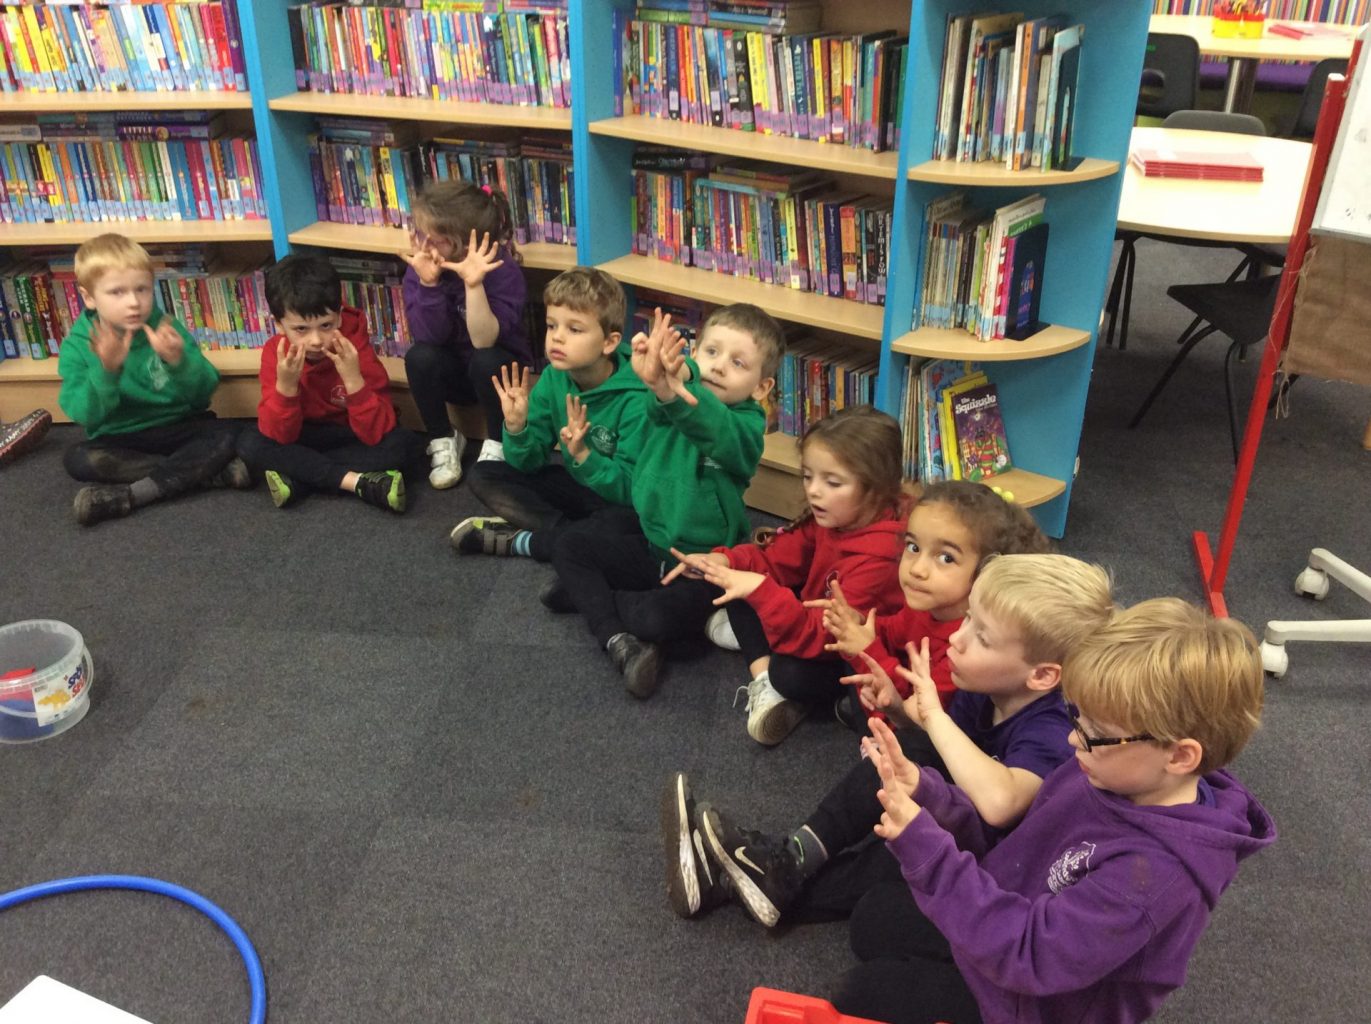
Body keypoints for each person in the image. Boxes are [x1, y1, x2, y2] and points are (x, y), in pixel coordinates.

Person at [834, 598, 1274, 1024]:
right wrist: (929, 794)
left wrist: (929, 853)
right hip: (1009, 913)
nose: (1072, 739)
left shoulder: (1154, 877)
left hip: (1031, 1000)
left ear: (1179, 756)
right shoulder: (1103, 770)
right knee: (874, 918)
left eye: (1096, 732)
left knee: (859, 994)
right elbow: (1012, 844)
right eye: (1076, 718)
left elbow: (1028, 956)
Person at [665, 553, 1113, 929]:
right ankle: (783, 861)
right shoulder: (990, 687)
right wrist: (898, 708)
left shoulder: (1056, 726)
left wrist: (931, 716)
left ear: (1042, 676)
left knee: (895, 858)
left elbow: (1000, 804)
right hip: (961, 814)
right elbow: (943, 749)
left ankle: (757, 875)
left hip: (1000, 868)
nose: (956, 639)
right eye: (967, 619)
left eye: (981, 637)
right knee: (906, 754)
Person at [548, 303, 782, 698]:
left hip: (704, 564)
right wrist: (662, 382)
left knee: (656, 618)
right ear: (695, 353)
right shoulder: (669, 398)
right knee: (569, 545)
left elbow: (711, 424)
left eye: (738, 363)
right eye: (711, 352)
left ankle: (594, 600)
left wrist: (680, 383)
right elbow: (660, 406)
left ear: (761, 387)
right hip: (651, 543)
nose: (719, 367)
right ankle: (617, 638)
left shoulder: (746, 426)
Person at [667, 405, 910, 745]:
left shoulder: (881, 560)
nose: (814, 491)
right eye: (808, 476)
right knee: (739, 580)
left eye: (832, 482)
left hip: (847, 649)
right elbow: (778, 558)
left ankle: (790, 684)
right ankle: (764, 681)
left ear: (877, 488)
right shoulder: (838, 516)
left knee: (789, 673)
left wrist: (761, 591)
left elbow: (827, 637)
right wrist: (724, 560)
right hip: (818, 618)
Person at [812, 480, 1050, 725]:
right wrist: (859, 623)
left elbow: (920, 716)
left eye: (946, 558)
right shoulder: (928, 605)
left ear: (987, 570)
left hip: (923, 724)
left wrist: (866, 649)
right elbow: (894, 632)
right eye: (913, 547)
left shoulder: (967, 644)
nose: (917, 569)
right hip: (901, 693)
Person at [451, 266, 647, 560]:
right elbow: (529, 463)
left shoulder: (637, 396)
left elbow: (631, 490)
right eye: (552, 326)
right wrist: (517, 428)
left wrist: (584, 456)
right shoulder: (555, 377)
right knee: (483, 474)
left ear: (609, 342)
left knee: (627, 527)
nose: (557, 338)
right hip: (578, 488)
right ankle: (570, 539)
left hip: (621, 500)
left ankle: (535, 541)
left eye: (574, 329)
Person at [57, 233, 248, 526]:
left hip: (179, 427)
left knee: (233, 432)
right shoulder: (78, 345)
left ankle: (134, 494)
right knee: (78, 459)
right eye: (117, 292)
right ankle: (206, 473)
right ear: (89, 298)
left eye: (142, 289)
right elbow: (85, 415)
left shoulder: (165, 328)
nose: (134, 302)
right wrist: (107, 371)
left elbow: (203, 394)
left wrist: (179, 362)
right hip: (121, 437)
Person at [235, 254, 419, 513]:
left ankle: (299, 477)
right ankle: (355, 482)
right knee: (249, 442)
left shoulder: (353, 346)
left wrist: (354, 381)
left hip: (349, 432)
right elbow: (281, 435)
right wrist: (286, 388)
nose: (316, 340)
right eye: (301, 329)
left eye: (326, 326)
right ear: (278, 324)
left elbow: (376, 431)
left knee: (405, 445)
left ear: (339, 317)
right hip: (303, 434)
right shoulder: (276, 354)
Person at [400, 180, 531, 488]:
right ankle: (443, 438)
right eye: (420, 234)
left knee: (486, 360)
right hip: (455, 375)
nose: (423, 246)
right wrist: (429, 285)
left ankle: (498, 442)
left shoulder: (502, 271)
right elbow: (429, 337)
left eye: (436, 240)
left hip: (500, 381)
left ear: (465, 244)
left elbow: (484, 341)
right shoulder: (422, 267)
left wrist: (473, 285)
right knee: (419, 357)